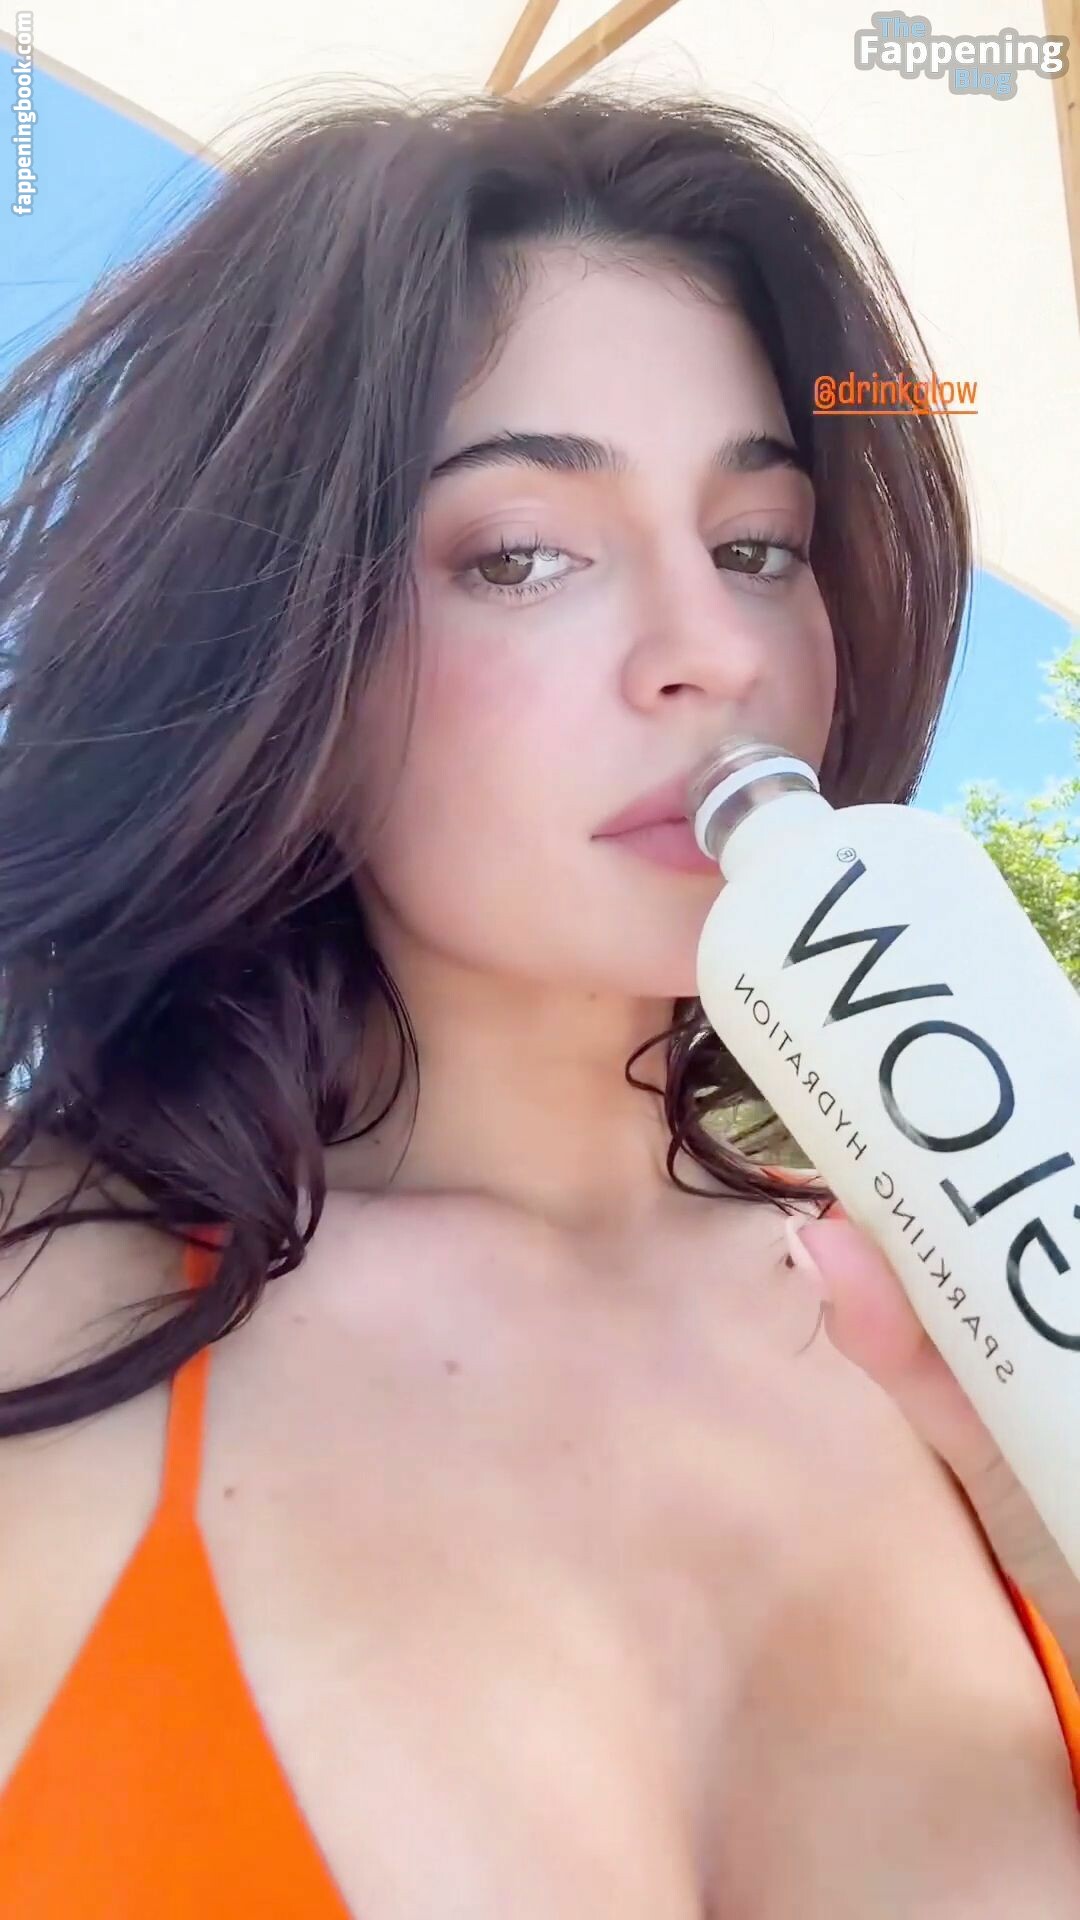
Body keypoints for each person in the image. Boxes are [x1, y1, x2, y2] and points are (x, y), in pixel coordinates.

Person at [0, 85, 1077, 1916]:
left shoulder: (989, 1303)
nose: (713, 651)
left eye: (759, 544)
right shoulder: (44, 1309)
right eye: (520, 554)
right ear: (280, 641)